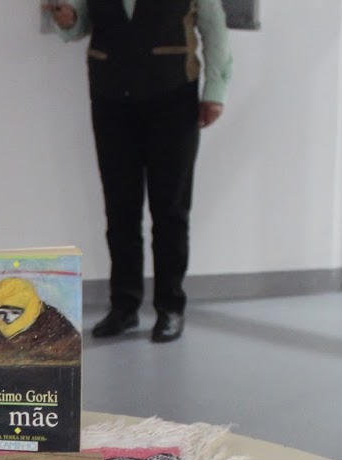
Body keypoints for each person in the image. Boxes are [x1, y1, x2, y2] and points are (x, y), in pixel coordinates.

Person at [48, 1, 231, 343]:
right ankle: (124, 306)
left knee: (171, 209)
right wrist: (68, 20)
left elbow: (214, 29)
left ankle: (170, 307)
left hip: (173, 97)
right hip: (110, 99)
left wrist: (215, 92)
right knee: (120, 210)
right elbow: (79, 24)